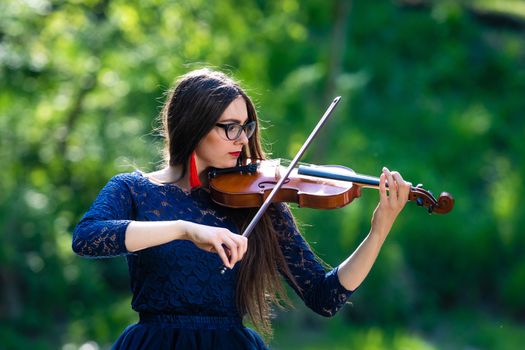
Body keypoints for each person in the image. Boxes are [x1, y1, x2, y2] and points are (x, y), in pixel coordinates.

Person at [72, 68, 410, 349]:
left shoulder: (259, 200)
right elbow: (87, 238)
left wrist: (378, 231)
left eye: (246, 127)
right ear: (193, 125)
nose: (242, 139)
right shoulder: (134, 189)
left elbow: (325, 297)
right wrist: (184, 229)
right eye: (229, 127)